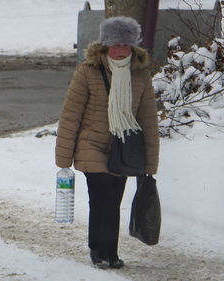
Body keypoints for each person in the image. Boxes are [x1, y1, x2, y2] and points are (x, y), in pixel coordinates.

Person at [55, 16, 159, 269]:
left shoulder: (140, 74)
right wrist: (64, 158)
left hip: (124, 148)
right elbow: (71, 114)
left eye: (126, 45)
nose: (121, 50)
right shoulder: (88, 71)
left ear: (133, 46)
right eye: (116, 45)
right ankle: (100, 251)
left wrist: (151, 162)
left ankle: (108, 251)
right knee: (102, 198)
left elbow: (148, 120)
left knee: (113, 199)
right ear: (105, 45)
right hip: (92, 145)